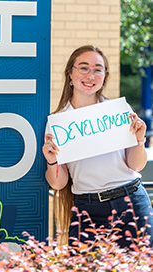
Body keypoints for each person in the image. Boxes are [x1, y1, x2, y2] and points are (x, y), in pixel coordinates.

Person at [42, 45, 153, 248]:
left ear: (105, 76)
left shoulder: (120, 112)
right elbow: (58, 184)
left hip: (132, 203)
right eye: (83, 68)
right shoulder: (57, 122)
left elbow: (136, 166)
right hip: (88, 210)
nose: (90, 75)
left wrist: (139, 140)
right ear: (70, 73)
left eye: (98, 69)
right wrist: (52, 160)